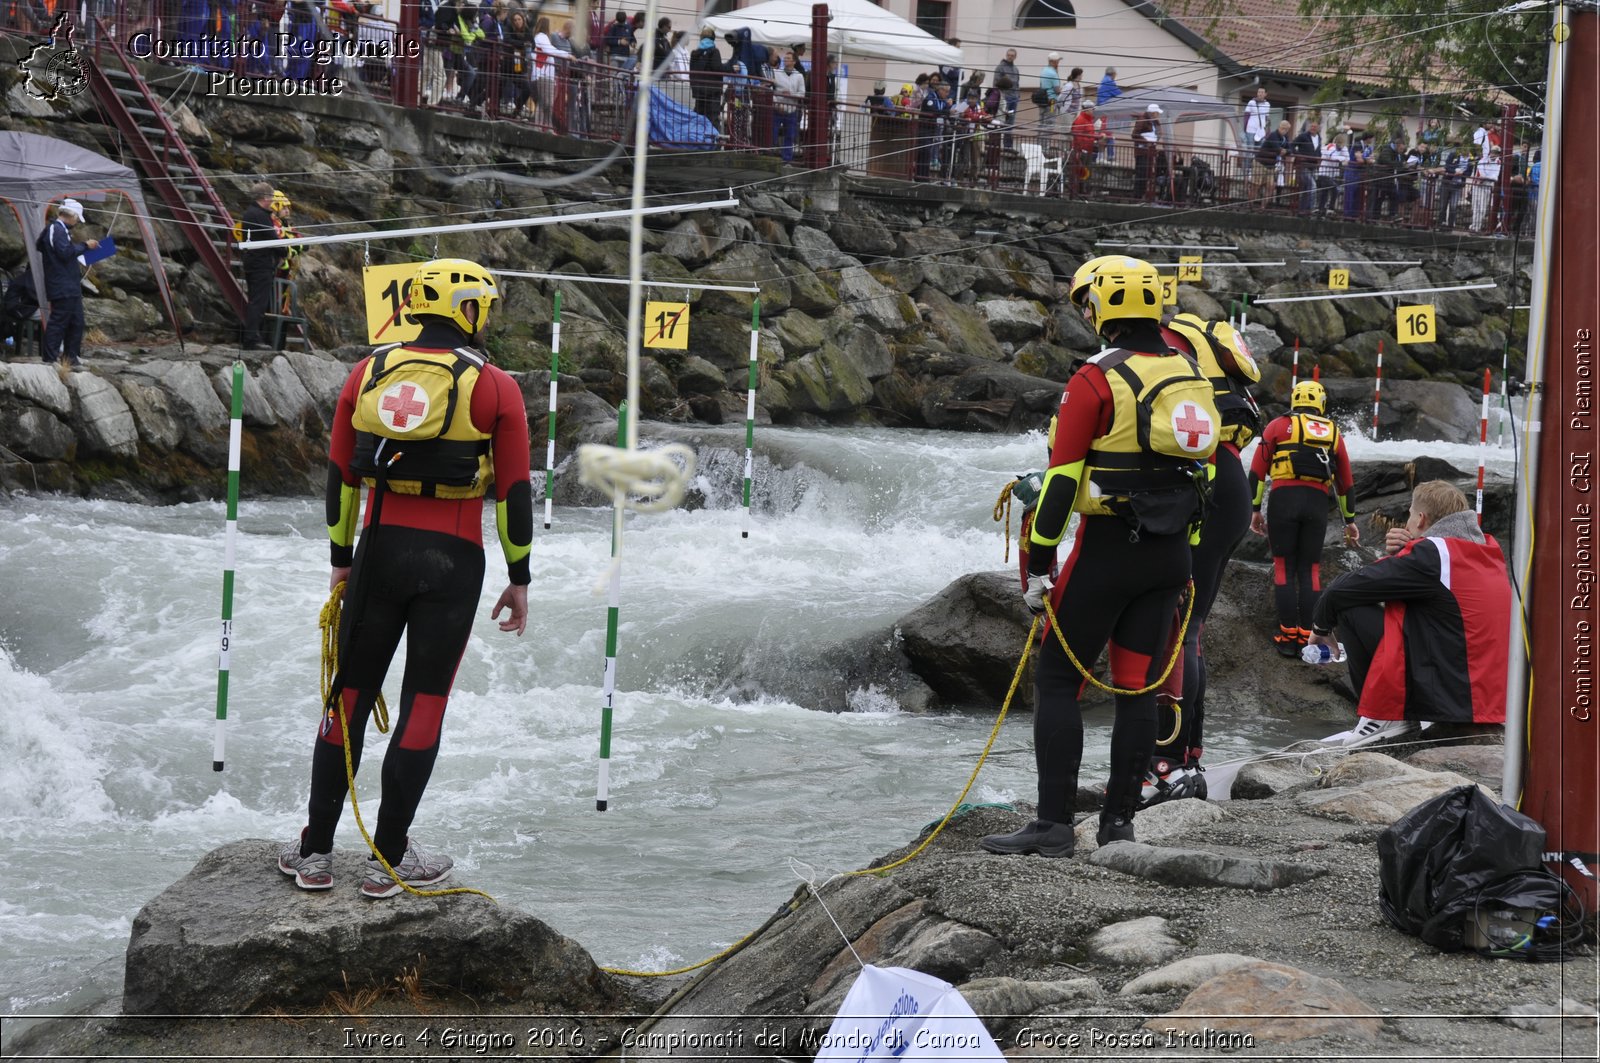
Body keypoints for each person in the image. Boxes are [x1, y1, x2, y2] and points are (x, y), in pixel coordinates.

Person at [278, 258, 533, 897]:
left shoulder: (367, 372)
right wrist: (519, 577)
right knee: (425, 704)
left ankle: (314, 855)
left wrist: (342, 561)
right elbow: (515, 492)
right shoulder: (497, 386)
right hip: (452, 563)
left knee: (350, 698)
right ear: (467, 309)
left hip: (378, 551)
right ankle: (390, 860)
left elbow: (340, 475)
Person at [980, 256, 1218, 858]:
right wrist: (1186, 559)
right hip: (1170, 558)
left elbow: (1061, 484)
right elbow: (1202, 476)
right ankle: (1117, 826)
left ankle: (1053, 826)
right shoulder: (1188, 368)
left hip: (1108, 554)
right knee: (1137, 687)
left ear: (1101, 309)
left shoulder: (1095, 378)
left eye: (1087, 304)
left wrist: (1038, 565)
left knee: (1059, 679)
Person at [1142, 312, 1260, 804]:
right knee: (1191, 631)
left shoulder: (1163, 342)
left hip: (1205, 479)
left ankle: (1163, 763)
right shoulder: (1202, 341)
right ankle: (1187, 756)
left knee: (1175, 630)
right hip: (1228, 476)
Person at [1309, 481, 1510, 746]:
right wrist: (1404, 552)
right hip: (1486, 698)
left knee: (1350, 608)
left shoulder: (1432, 555)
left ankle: (1380, 717)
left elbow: (1343, 590)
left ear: (1420, 518)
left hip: (1450, 695)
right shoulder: (1485, 550)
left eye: (1409, 515)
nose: (1406, 523)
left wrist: (1320, 629)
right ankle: (1394, 717)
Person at [1249, 379, 1358, 657]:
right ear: (1321, 403)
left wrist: (1254, 508)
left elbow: (1257, 471)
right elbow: (1345, 482)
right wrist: (1350, 520)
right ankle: (1309, 637)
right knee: (1310, 570)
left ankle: (1287, 636)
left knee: (1284, 567)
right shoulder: (1334, 432)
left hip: (1284, 501)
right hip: (1316, 504)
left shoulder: (1277, 426)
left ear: (1295, 401)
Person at [35, 199, 97, 367]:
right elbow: (64, 252)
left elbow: (41, 246)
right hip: (62, 284)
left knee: (76, 322)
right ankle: (49, 358)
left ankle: (70, 358)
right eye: (77, 219)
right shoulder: (56, 229)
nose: (77, 222)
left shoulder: (56, 230)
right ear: (72, 215)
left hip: (68, 284)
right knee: (59, 321)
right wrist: (85, 245)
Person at [238, 182, 279, 350]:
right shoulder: (260, 215)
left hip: (253, 262)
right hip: (260, 263)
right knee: (258, 302)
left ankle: (255, 336)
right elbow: (271, 239)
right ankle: (251, 338)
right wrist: (285, 251)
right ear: (265, 197)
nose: (272, 201)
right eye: (271, 197)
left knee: (257, 301)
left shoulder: (250, 213)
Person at [689, 26, 727, 130]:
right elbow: (717, 68)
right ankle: (715, 143)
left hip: (699, 92)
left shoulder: (694, 54)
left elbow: (691, 73)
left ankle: (698, 141)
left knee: (699, 118)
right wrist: (729, 67)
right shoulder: (714, 52)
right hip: (712, 92)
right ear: (713, 38)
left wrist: (695, 89)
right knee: (713, 118)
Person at [771, 49, 804, 163]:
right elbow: (771, 89)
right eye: (785, 59)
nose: (785, 61)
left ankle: (787, 160)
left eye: (788, 59)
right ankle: (771, 156)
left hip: (791, 110)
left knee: (790, 136)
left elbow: (802, 93)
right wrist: (775, 103)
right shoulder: (776, 73)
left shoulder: (799, 76)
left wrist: (791, 94)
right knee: (773, 134)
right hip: (777, 108)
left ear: (794, 61)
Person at [1291, 119, 1321, 215]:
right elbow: (1292, 145)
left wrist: (1319, 158)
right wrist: (1298, 155)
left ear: (1318, 128)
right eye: (1311, 126)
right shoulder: (1303, 136)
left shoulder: (1319, 138)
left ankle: (1302, 210)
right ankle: (1311, 209)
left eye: (1315, 127)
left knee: (1306, 188)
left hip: (1313, 166)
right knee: (1312, 185)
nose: (1312, 128)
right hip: (1303, 165)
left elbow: (1318, 150)